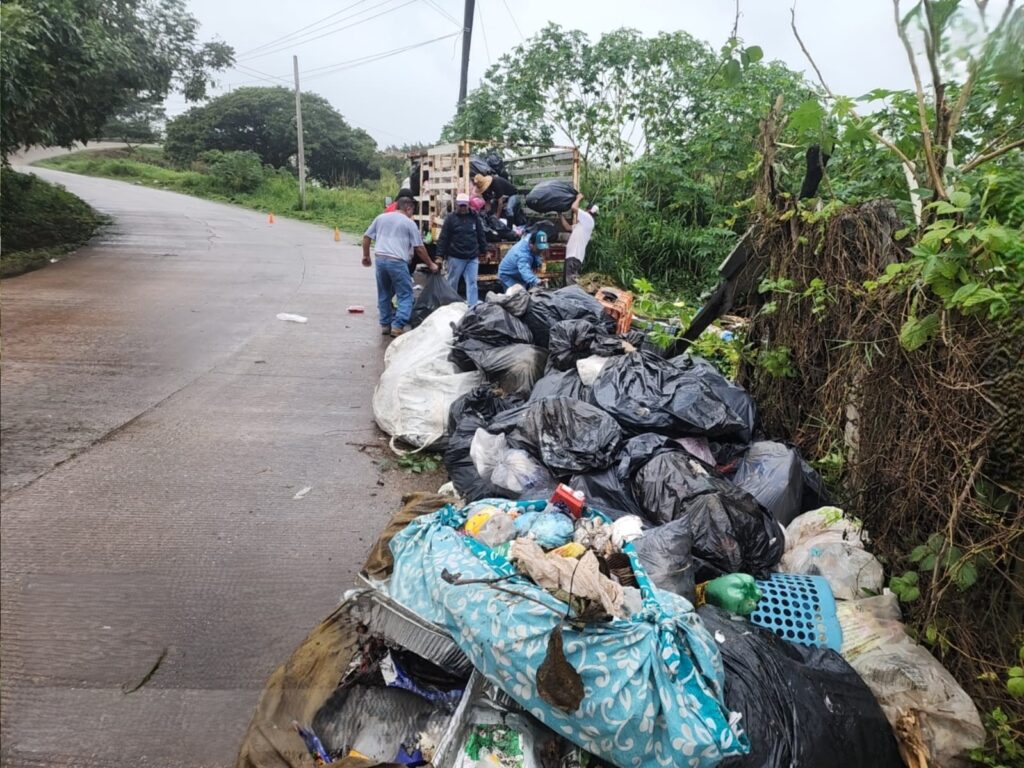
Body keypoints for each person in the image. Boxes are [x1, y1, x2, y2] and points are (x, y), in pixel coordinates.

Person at [362, 197, 439, 337]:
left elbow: (366, 237)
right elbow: (419, 248)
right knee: (405, 294)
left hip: (380, 260)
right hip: (397, 262)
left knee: (384, 293)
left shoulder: (381, 218)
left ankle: (385, 325)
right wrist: (431, 264)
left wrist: (366, 256)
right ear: (408, 208)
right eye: (412, 210)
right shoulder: (409, 223)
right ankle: (397, 326)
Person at [437, 193, 487, 306]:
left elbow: (480, 235)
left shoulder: (474, 217)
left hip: (472, 257)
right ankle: (450, 306)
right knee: (452, 282)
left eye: (465, 205)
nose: (463, 208)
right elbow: (443, 238)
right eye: (461, 206)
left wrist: (485, 250)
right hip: (456, 257)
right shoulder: (450, 219)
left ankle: (472, 308)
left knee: (472, 283)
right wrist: (439, 256)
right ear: (456, 205)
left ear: (468, 205)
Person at [559, 193, 598, 285]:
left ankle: (573, 299)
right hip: (571, 257)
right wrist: (560, 214)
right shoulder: (582, 224)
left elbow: (574, 208)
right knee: (566, 284)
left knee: (570, 285)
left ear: (587, 210)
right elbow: (567, 227)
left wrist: (578, 198)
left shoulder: (588, 219)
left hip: (574, 257)